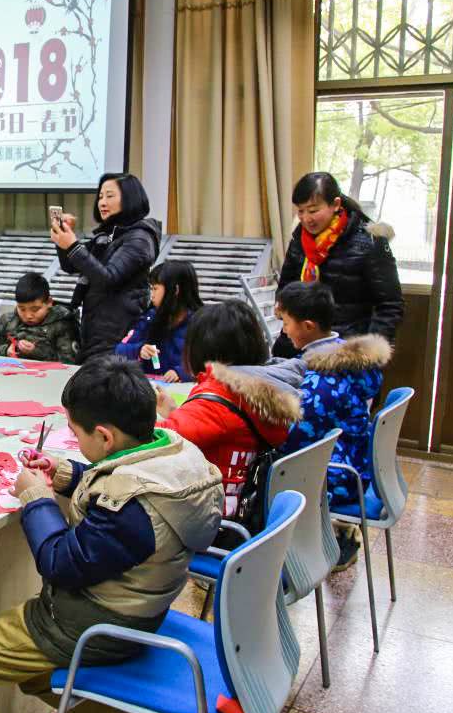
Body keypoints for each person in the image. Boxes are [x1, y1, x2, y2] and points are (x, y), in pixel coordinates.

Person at [0, 356, 222, 713]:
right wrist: (65, 473)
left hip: (96, 621)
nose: (74, 440)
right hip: (143, 604)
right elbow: (122, 480)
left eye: (76, 434)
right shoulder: (172, 453)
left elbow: (59, 562)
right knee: (37, 675)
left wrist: (36, 498)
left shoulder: (130, 512)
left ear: (105, 436)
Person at [274, 281, 391, 570]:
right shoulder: (347, 355)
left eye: (287, 323)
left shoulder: (323, 380)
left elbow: (292, 439)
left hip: (336, 478)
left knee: (262, 466)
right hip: (358, 461)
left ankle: (266, 554)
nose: (284, 330)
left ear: (309, 325)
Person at [154, 300, 301, 523]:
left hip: (205, 521)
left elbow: (154, 441)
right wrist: (176, 411)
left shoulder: (221, 395)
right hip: (240, 508)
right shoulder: (259, 388)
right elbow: (215, 427)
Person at [274, 172, 404, 358]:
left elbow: (390, 304)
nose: (305, 218)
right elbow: (286, 286)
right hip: (297, 347)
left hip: (345, 352)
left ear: (335, 204)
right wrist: (282, 306)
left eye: (312, 211)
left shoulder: (369, 240)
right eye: (300, 211)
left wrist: (367, 354)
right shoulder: (300, 239)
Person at [51, 174, 160, 362]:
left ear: (130, 198)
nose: (102, 202)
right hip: (97, 329)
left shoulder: (140, 238)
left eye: (110, 196)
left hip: (119, 332)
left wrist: (72, 246)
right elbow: (70, 265)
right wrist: (63, 240)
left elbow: (108, 278)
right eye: (100, 196)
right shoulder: (107, 235)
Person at [114, 260, 203, 382]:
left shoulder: (202, 323)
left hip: (185, 395)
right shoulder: (150, 317)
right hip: (150, 390)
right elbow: (119, 350)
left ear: (175, 290)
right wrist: (139, 350)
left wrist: (182, 373)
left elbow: (211, 363)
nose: (152, 295)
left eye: (155, 288)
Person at [0, 273, 77, 362]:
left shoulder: (62, 323)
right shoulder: (8, 321)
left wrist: (36, 352)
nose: (28, 316)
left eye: (35, 309)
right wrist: (6, 351)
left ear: (49, 302)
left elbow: (69, 363)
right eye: (22, 309)